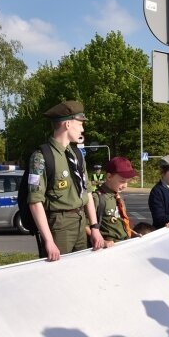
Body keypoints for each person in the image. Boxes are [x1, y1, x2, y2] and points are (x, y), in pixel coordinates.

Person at [26, 100, 104, 261]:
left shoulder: (77, 155)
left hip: (81, 222)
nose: (83, 129)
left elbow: (87, 191)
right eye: (80, 124)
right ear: (67, 124)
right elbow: (35, 201)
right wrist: (48, 240)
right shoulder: (41, 157)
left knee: (80, 273)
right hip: (59, 226)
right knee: (57, 279)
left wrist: (94, 227)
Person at [96, 156, 138, 244]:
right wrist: (102, 242)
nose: (125, 185)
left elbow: (121, 223)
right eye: (122, 181)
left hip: (123, 243)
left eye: (127, 181)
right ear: (109, 177)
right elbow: (86, 225)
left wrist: (133, 234)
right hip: (109, 247)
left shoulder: (119, 198)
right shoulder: (98, 198)